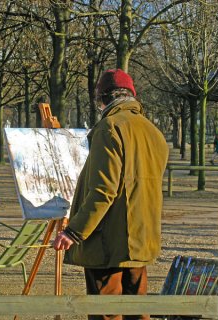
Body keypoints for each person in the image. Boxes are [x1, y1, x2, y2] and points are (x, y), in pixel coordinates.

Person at [53, 68, 169, 320]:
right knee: (137, 312)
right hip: (140, 238)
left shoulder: (110, 128)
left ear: (102, 99)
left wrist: (73, 231)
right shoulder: (154, 132)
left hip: (108, 243)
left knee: (107, 313)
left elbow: (103, 190)